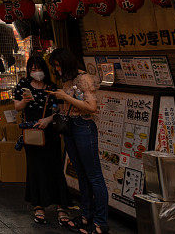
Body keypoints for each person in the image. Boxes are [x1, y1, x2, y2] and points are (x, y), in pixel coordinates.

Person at [49, 48, 105, 234]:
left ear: (67, 63)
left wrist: (65, 97)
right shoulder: (67, 79)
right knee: (81, 173)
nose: (57, 70)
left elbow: (91, 107)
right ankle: (85, 216)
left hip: (84, 127)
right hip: (70, 127)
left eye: (58, 65)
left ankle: (100, 223)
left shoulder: (84, 79)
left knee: (94, 175)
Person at [12, 55, 71, 226]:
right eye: (33, 69)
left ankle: (61, 206)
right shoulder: (23, 85)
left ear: (44, 70)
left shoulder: (52, 87)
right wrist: (25, 100)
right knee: (35, 168)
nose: (36, 72)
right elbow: (17, 107)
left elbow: (61, 109)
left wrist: (48, 119)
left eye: (39, 69)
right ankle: (38, 206)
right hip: (32, 133)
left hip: (51, 132)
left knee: (55, 167)